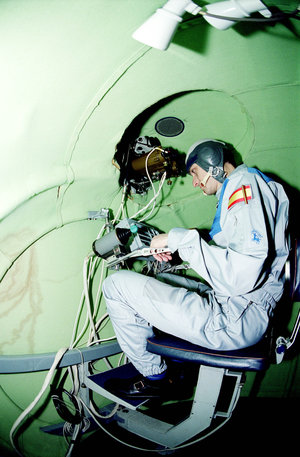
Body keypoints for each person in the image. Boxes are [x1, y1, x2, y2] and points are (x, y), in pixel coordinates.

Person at [102, 139, 290, 398]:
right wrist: (178, 256)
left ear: (210, 160)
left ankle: (156, 377)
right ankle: (179, 368)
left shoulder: (243, 185)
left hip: (237, 317)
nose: (194, 182)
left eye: (194, 172)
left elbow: (243, 274)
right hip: (239, 307)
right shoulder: (249, 186)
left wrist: (178, 238)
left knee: (115, 286)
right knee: (163, 278)